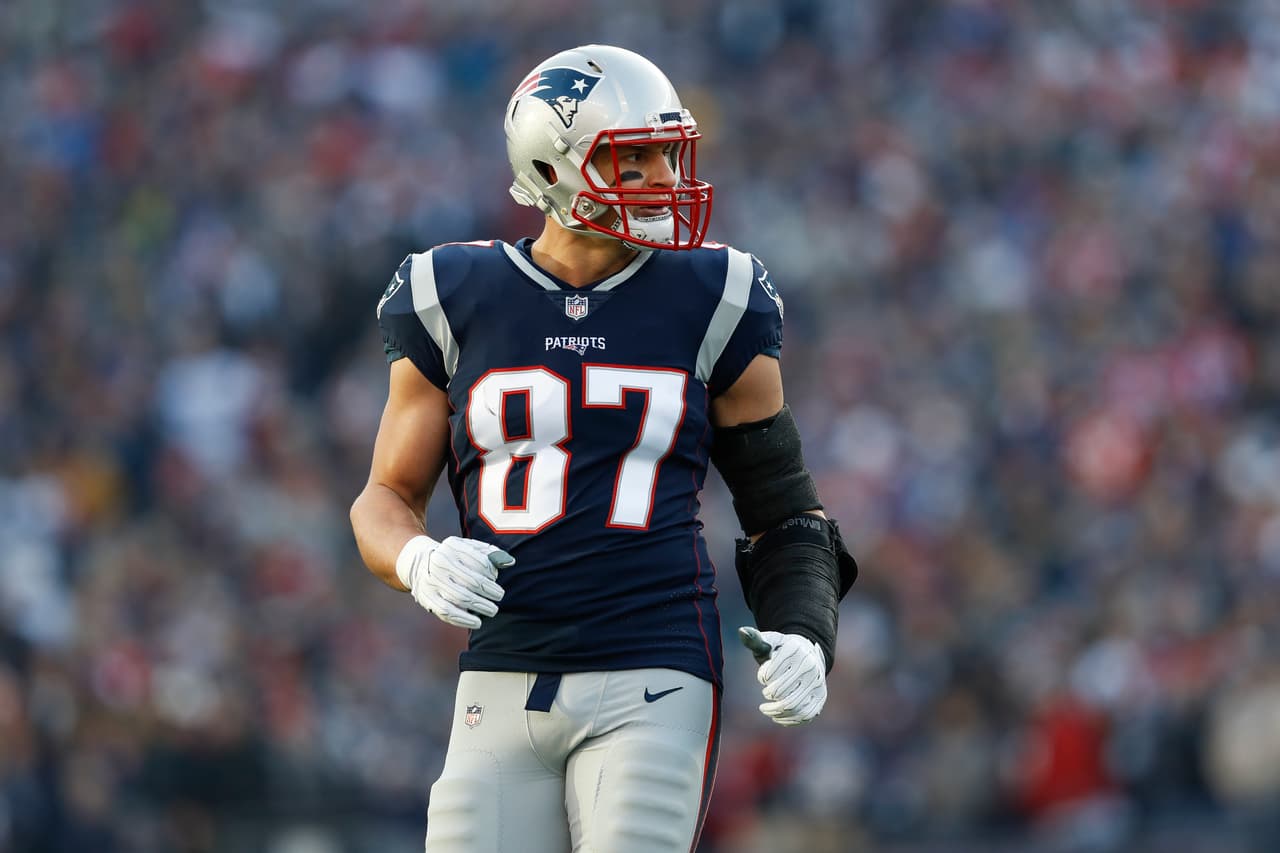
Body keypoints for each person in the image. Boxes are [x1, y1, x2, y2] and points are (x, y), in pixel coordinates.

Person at [349, 44, 858, 853]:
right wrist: (416, 558)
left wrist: (806, 627)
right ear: (553, 172)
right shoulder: (450, 295)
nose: (664, 177)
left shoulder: (716, 295)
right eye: (635, 158)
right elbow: (383, 498)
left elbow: (786, 512)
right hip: (503, 673)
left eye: (667, 151)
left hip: (654, 669)